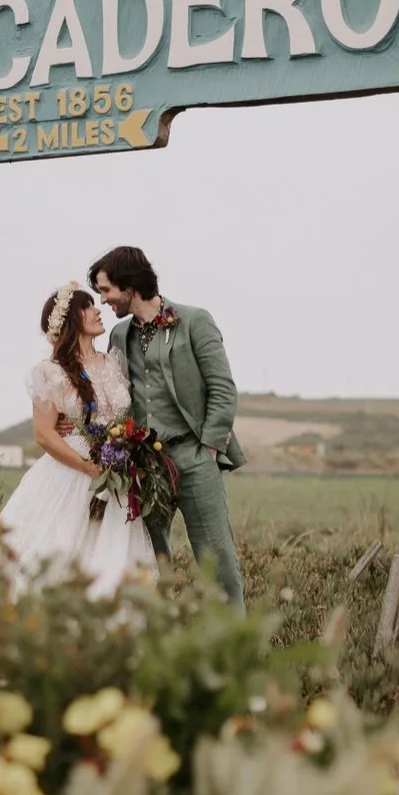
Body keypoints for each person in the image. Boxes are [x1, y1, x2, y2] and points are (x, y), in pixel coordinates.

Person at [0, 282, 156, 606]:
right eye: (88, 306)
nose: (97, 310)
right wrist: (87, 467)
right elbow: (44, 433)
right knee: (55, 553)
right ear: (70, 320)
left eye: (97, 304)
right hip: (70, 473)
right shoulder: (50, 373)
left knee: (112, 556)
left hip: (116, 473)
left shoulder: (113, 364)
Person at [86, 246, 245, 613]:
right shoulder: (119, 335)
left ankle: (234, 644)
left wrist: (208, 447)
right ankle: (162, 637)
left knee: (217, 559)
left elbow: (223, 388)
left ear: (129, 285)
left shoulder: (194, 321)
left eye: (107, 290)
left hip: (194, 454)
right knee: (149, 561)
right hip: (144, 465)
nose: (104, 300)